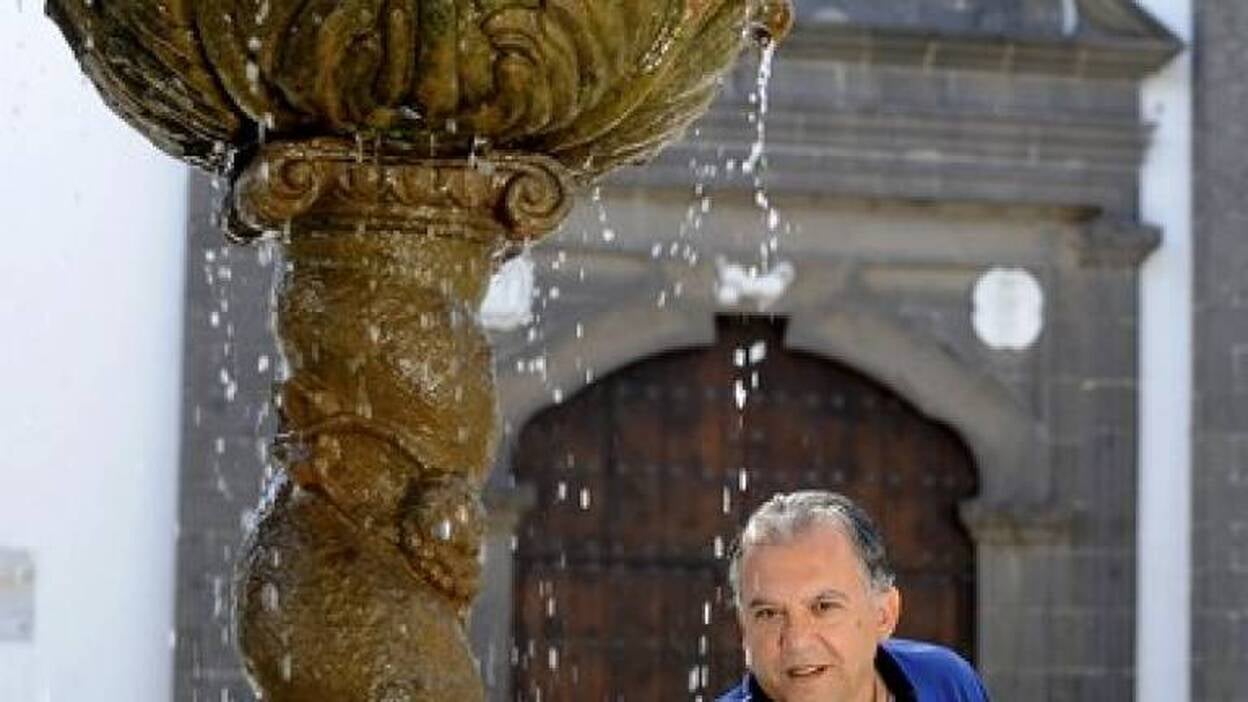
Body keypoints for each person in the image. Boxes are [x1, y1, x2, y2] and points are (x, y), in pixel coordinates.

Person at [716, 490, 990, 702]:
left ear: (884, 615)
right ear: (744, 629)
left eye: (823, 607)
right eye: (769, 613)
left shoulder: (946, 682)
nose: (797, 642)